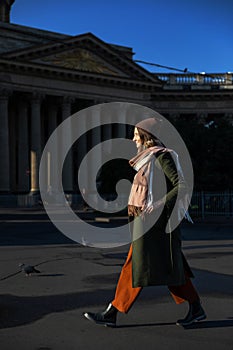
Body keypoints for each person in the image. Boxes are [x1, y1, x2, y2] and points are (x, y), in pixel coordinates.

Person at [83, 117, 206, 327]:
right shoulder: (146, 159)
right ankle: (195, 308)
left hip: (158, 224)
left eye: (136, 134)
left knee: (146, 267)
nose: (133, 139)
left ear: (145, 136)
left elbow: (181, 185)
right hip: (148, 223)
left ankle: (112, 312)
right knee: (160, 267)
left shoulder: (160, 157)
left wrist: (157, 204)